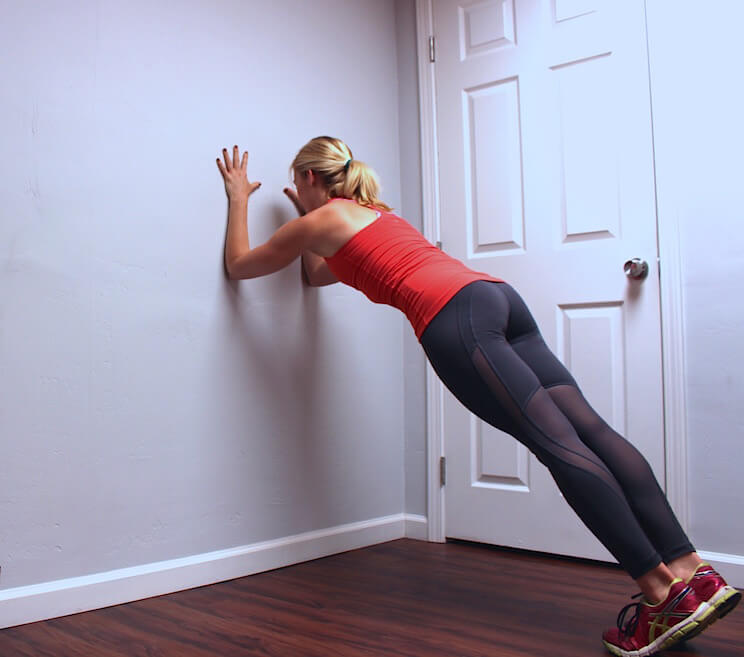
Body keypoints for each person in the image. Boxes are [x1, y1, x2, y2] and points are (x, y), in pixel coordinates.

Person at [216, 136, 740, 656]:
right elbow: (316, 275)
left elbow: (239, 265)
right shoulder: (378, 216)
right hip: (497, 300)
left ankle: (662, 594)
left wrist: (239, 198)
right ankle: (693, 571)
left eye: (298, 183)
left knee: (558, 445)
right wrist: (306, 216)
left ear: (309, 178)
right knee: (592, 432)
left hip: (455, 321)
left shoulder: (321, 221)